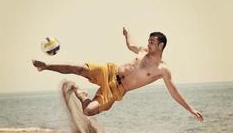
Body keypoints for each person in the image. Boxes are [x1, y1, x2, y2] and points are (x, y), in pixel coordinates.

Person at [32, 27, 203, 122]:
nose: (148, 44)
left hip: (116, 90)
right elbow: (131, 44)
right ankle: (46, 66)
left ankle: (82, 95)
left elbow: (174, 92)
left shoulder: (163, 70)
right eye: (148, 41)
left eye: (152, 42)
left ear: (161, 45)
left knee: (88, 111)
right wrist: (126, 32)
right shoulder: (142, 50)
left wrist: (191, 109)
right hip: (110, 71)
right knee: (79, 68)